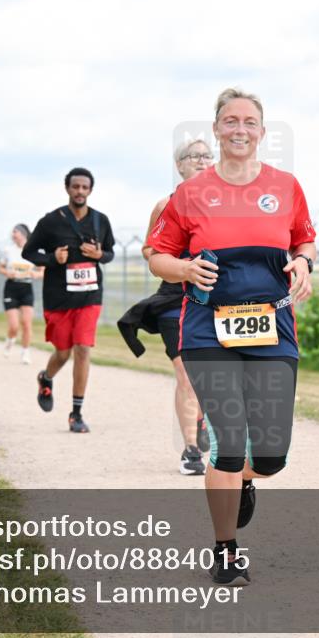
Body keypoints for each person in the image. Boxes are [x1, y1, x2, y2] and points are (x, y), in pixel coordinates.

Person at [148, 88, 316, 586]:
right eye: (229, 121)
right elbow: (157, 255)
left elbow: (303, 237)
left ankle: (245, 480)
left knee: (269, 456)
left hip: (272, 327)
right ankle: (225, 550)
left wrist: (304, 260)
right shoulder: (190, 193)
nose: (239, 129)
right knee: (226, 444)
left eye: (249, 121)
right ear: (217, 128)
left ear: (262, 132)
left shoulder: (286, 186)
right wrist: (182, 267)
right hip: (206, 329)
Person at [120, 138, 214, 476]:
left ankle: (201, 419)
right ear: (180, 165)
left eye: (207, 155)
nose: (202, 161)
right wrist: (176, 262)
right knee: (186, 376)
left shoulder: (226, 203)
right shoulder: (166, 205)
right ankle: (191, 450)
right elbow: (150, 249)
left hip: (215, 300)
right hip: (176, 298)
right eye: (194, 156)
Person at [23, 168, 115, 433]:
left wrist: (99, 255)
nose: (80, 192)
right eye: (75, 187)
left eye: (85, 187)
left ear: (90, 190)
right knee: (63, 352)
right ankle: (46, 377)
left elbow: (109, 253)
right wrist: (53, 259)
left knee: (83, 349)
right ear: (67, 189)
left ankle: (76, 413)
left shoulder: (100, 220)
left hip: (90, 295)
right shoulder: (51, 221)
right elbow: (29, 251)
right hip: (59, 297)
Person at [0, 224, 43, 365]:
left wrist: (36, 274)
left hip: (26, 287)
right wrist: (7, 272)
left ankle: (25, 352)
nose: (13, 234)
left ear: (23, 234)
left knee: (26, 323)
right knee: (14, 325)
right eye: (12, 232)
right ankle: (10, 340)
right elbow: (0, 267)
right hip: (11, 287)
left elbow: (43, 270)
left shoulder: (33, 250)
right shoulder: (8, 250)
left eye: (15, 232)